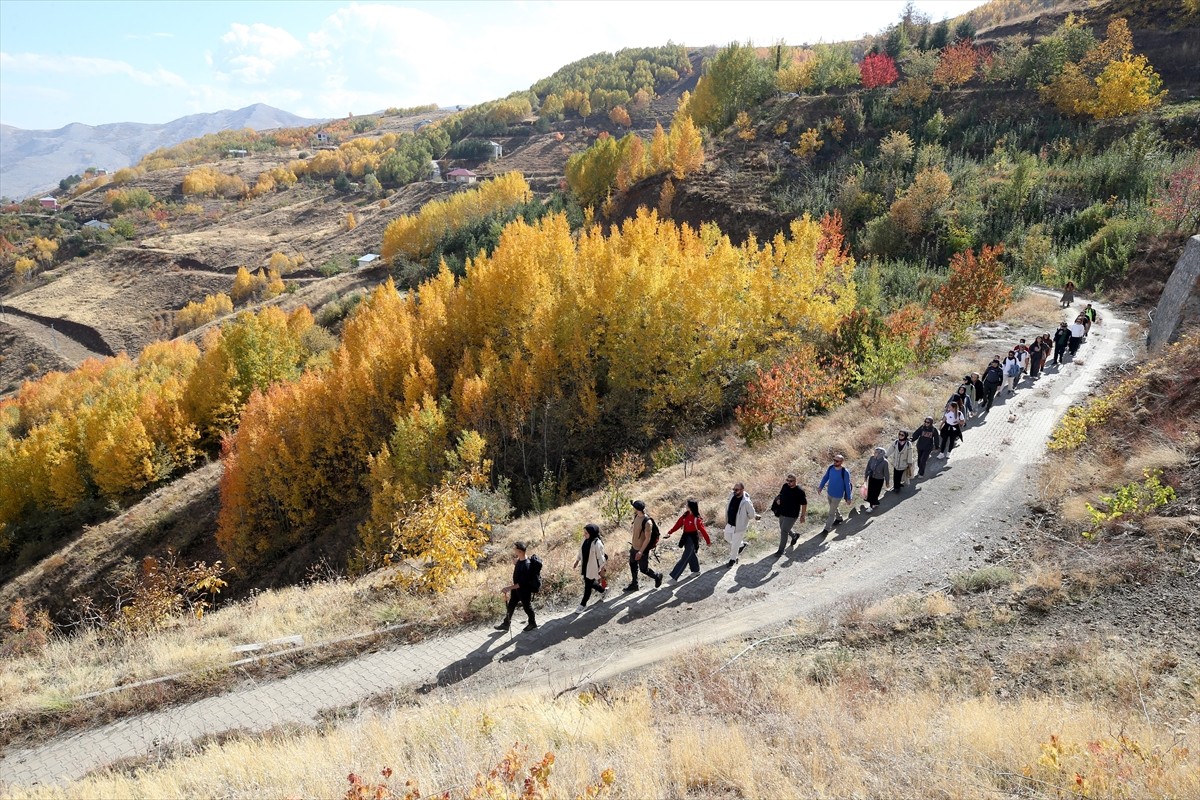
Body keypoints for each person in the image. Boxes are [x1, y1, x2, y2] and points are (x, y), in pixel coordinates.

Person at [495, 542, 537, 632]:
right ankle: (506, 624)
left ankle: (532, 623)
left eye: (515, 549)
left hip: (524, 591)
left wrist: (508, 588)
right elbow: (519, 564)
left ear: (520, 551)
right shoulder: (520, 559)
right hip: (516, 590)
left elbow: (521, 583)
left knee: (527, 607)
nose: (514, 551)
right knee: (511, 605)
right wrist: (516, 563)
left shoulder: (526, 565)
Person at [665, 499, 710, 582]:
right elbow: (678, 524)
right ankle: (696, 571)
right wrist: (670, 532)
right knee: (691, 554)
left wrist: (708, 541)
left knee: (685, 558)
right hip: (685, 538)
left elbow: (703, 530)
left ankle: (674, 577)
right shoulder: (685, 516)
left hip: (692, 540)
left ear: (690, 507)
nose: (685, 506)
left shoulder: (697, 519)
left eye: (687, 505)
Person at [624, 500, 663, 591]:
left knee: (643, 569)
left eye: (633, 507)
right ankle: (634, 584)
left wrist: (641, 552)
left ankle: (657, 576)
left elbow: (647, 539)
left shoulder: (647, 522)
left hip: (642, 550)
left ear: (637, 509)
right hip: (634, 547)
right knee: (632, 565)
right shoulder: (636, 516)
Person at [572, 523, 607, 613]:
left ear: (592, 533)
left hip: (592, 567)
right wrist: (577, 561)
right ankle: (603, 591)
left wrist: (602, 571)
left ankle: (583, 605)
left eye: (586, 533)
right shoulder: (585, 540)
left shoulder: (597, 543)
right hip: (585, 566)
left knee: (588, 586)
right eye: (584, 533)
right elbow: (581, 551)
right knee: (590, 582)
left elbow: (601, 558)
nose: (584, 534)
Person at [816, 454, 854, 534]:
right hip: (829, 493)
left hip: (837, 496)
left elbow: (847, 485)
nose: (834, 462)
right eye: (834, 460)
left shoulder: (845, 472)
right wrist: (820, 486)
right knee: (833, 507)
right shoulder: (830, 468)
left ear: (841, 462)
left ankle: (826, 529)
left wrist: (849, 498)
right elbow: (825, 477)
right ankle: (839, 518)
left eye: (836, 461)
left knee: (831, 513)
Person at [771, 474, 808, 555]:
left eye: (791, 481)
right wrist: (778, 499)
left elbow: (804, 504)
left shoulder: (800, 491)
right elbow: (780, 495)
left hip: (792, 515)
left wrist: (803, 516)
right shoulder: (785, 486)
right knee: (783, 528)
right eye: (787, 480)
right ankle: (794, 535)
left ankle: (781, 550)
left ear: (795, 481)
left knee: (784, 531)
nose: (788, 483)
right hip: (782, 512)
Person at [723, 482, 758, 566]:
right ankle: (741, 545)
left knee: (734, 545)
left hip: (739, 526)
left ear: (742, 490)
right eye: (733, 489)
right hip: (730, 523)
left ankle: (733, 560)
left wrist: (743, 519)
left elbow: (752, 514)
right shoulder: (732, 495)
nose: (734, 491)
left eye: (736, 489)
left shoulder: (746, 502)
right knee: (727, 537)